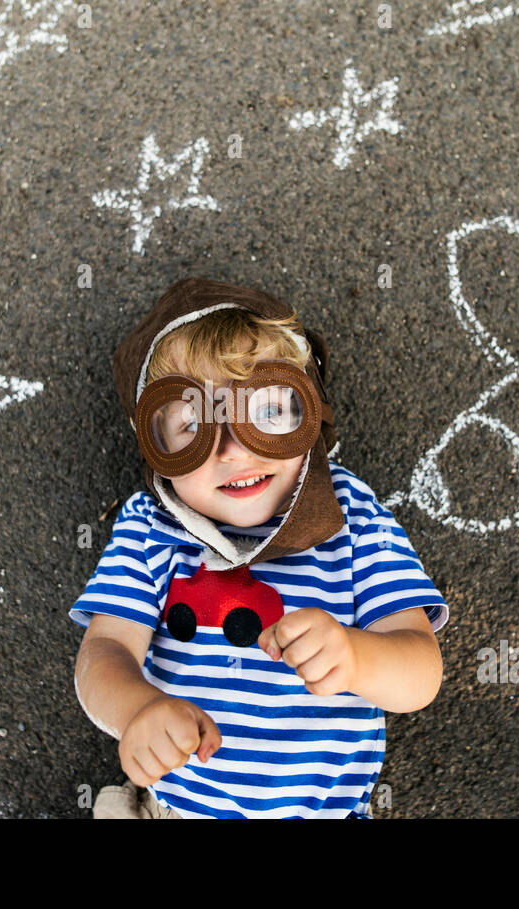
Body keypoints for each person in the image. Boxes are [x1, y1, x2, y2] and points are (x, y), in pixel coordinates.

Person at [69, 276, 448, 818]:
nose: (234, 450)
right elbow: (103, 653)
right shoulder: (151, 527)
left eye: (266, 412)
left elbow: (421, 670)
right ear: (154, 445)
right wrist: (139, 709)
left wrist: (356, 655)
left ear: (309, 411)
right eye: (193, 425)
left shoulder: (351, 514)